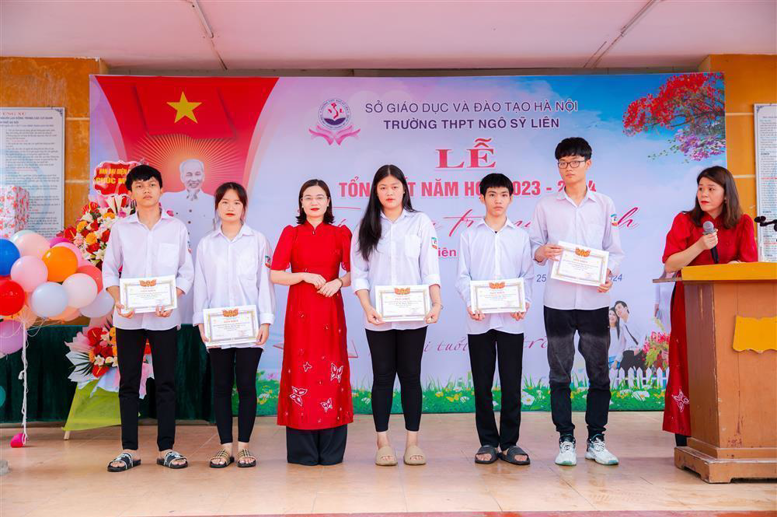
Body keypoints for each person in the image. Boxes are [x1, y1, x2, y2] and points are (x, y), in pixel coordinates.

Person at [529, 137, 624, 467]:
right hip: (557, 300)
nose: (568, 168)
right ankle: (565, 439)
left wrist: (608, 273)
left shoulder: (605, 204)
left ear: (588, 163)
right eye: (563, 163)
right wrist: (542, 251)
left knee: (599, 372)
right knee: (559, 372)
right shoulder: (546, 206)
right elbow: (533, 248)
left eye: (574, 162)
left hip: (595, 301)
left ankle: (596, 439)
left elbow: (615, 252)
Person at [102, 164, 194, 472]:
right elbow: (109, 269)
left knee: (166, 382)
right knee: (128, 383)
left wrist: (173, 297)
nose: (146, 190)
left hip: (164, 317)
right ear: (130, 192)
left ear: (161, 190)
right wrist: (119, 300)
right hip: (128, 317)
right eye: (139, 186)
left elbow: (186, 271)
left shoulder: (176, 228)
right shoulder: (121, 228)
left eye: (151, 184)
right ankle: (129, 450)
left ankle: (166, 448)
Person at [351, 164, 442, 467]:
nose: (389, 192)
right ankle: (383, 442)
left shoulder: (420, 222)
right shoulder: (366, 225)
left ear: (404, 189)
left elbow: (430, 269)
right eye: (383, 187)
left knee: (411, 377)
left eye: (394, 186)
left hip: (414, 316)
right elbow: (360, 274)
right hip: (378, 316)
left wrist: (436, 303)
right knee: (382, 378)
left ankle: (413, 443)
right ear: (375, 192)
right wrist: (367, 307)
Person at [662, 166, 757, 446]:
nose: (703, 194)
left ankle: (727, 430)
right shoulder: (685, 221)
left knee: (727, 360)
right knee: (687, 360)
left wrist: (735, 267)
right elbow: (670, 264)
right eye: (700, 188)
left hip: (728, 306)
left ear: (726, 195)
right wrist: (700, 246)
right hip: (689, 303)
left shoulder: (743, 223)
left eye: (711, 189)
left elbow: (749, 264)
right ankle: (685, 434)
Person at [270, 179, 354, 466]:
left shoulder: (340, 233)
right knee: (301, 375)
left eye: (320, 197)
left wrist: (338, 282)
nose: (314, 202)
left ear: (328, 202)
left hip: (330, 311)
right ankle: (303, 451)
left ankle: (331, 451)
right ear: (301, 204)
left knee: (331, 373)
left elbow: (357, 273)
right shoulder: (291, 233)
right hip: (301, 313)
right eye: (308, 197)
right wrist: (304, 275)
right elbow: (276, 274)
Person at [193, 182, 275, 468]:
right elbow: (201, 285)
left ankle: (244, 447)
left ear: (244, 207)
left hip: (250, 326)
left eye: (236, 203)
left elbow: (265, 284)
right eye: (225, 202)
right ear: (217, 206)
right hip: (217, 326)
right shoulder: (207, 244)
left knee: (247, 385)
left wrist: (266, 320)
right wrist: (200, 321)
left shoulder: (258, 241)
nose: (230, 208)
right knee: (221, 385)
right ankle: (225, 447)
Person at [455, 173, 534, 466]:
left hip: (512, 319)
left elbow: (527, 276)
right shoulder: (469, 235)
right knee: (482, 384)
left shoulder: (520, 236)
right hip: (479, 320)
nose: (498, 200)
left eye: (503, 195)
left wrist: (524, 302)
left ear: (511, 198)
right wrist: (471, 302)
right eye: (492, 194)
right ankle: (487, 441)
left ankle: (510, 443)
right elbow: (462, 276)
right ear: (481, 198)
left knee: (512, 383)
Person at [160, 158, 216, 322]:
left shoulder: (214, 201)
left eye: (197, 174)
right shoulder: (167, 199)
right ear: (182, 177)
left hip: (203, 264)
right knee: (175, 308)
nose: (194, 179)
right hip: (174, 265)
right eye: (189, 174)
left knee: (200, 306)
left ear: (203, 176)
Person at [614, 300, 645, 373]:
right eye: (616, 309)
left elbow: (643, 334)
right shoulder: (623, 326)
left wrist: (638, 349)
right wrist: (616, 360)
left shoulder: (635, 319)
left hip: (639, 352)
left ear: (626, 308)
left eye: (619, 307)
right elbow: (622, 345)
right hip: (630, 353)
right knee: (622, 373)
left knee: (641, 375)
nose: (618, 310)